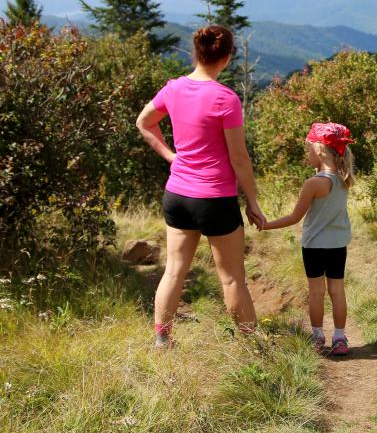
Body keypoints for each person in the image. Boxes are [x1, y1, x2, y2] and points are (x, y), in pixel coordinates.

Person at [135, 25, 267, 348]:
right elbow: (239, 158)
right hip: (215, 200)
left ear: (197, 53)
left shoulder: (173, 88)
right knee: (233, 277)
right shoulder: (226, 99)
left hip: (178, 195)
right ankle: (253, 347)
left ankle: (162, 340)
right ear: (226, 57)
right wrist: (252, 201)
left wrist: (171, 157)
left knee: (174, 271)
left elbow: (143, 122)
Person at [261, 122, 355, 356]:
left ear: (321, 151)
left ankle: (317, 336)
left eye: (309, 149)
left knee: (316, 292)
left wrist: (266, 225)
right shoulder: (344, 178)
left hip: (314, 246)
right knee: (337, 290)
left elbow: (295, 217)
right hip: (338, 244)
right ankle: (340, 338)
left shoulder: (314, 183)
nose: (308, 154)